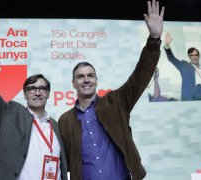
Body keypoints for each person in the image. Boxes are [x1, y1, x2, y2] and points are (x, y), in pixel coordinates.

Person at [58, 0, 164, 179]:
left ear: (96, 81)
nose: (86, 80)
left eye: (90, 75)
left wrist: (154, 40)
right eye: (80, 76)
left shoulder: (115, 103)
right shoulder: (65, 120)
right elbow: (61, 159)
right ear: (73, 83)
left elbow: (140, 76)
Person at [0, 21, 67, 180]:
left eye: (42, 88)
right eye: (32, 88)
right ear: (25, 94)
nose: (37, 92)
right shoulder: (10, 114)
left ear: (48, 94)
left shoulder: (56, 126)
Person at [163, 32, 201, 101]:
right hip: (190, 100)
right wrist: (167, 45)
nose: (194, 57)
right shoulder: (184, 66)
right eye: (191, 55)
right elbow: (172, 58)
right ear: (189, 57)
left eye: (196, 55)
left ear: (199, 56)